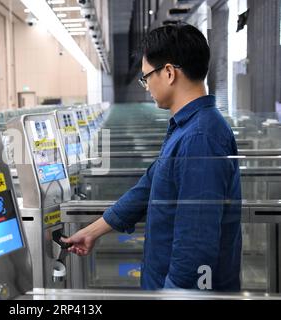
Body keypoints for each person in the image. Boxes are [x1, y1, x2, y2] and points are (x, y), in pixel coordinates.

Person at [62, 23, 242, 291]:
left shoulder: (200, 138)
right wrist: (92, 231)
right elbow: (148, 187)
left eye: (146, 77)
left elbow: (196, 242)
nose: (146, 86)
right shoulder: (188, 128)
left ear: (168, 72)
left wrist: (175, 295)